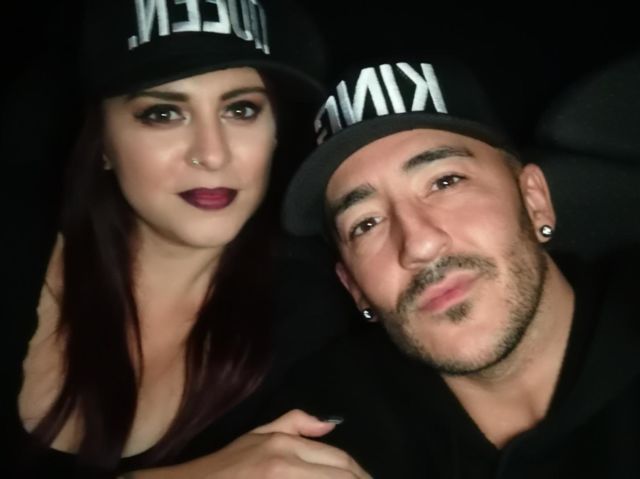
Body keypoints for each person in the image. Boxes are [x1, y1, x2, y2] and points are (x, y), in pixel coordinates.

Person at [4, 1, 370, 477]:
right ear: (103, 144)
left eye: (241, 109)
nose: (211, 154)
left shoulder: (310, 314)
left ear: (276, 132)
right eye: (163, 113)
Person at [275, 58, 640, 477]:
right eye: (366, 223)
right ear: (353, 287)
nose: (419, 244)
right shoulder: (316, 431)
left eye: (445, 182)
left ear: (534, 200)